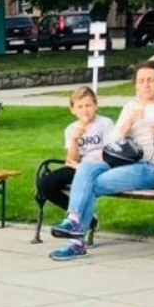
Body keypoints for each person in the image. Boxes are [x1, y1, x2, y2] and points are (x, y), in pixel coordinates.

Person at [50, 59, 154, 261]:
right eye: (141, 81)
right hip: (123, 161)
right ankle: (74, 220)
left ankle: (76, 241)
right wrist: (129, 121)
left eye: (150, 80)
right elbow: (112, 140)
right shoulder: (131, 106)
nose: (145, 85)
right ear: (135, 84)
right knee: (85, 168)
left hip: (149, 168)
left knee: (91, 183)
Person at [36, 86, 112, 238]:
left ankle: (78, 219)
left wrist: (83, 166)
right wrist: (75, 140)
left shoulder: (105, 124)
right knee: (45, 184)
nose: (85, 110)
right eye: (80, 107)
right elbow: (71, 159)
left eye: (88, 105)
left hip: (101, 167)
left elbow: (110, 153)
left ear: (96, 105)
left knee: (85, 179)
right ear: (73, 110)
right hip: (78, 166)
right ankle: (87, 218)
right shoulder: (71, 129)